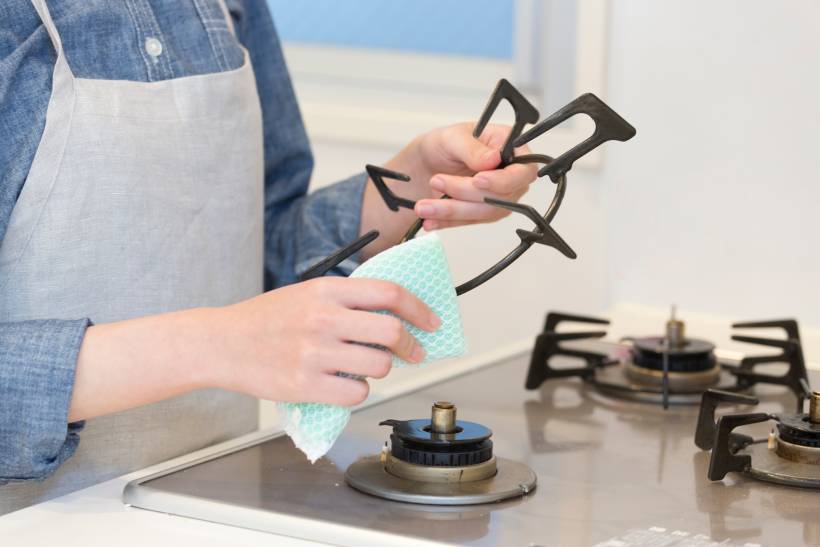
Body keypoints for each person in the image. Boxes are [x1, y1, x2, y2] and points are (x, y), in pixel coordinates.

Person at [0, 0, 536, 514]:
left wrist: (412, 183)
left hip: (208, 500)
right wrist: (212, 343)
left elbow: (261, 241)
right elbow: (241, 330)